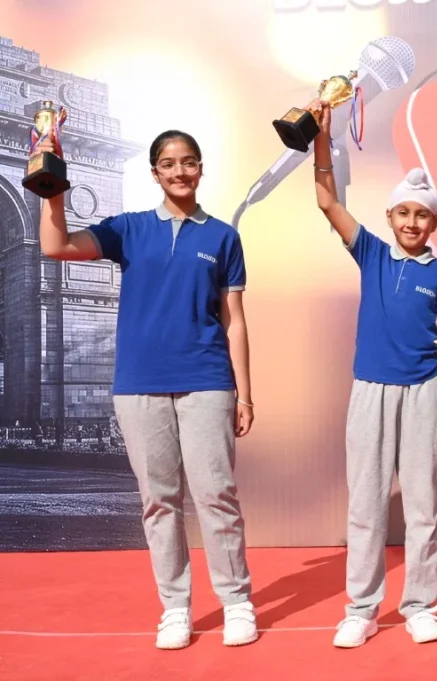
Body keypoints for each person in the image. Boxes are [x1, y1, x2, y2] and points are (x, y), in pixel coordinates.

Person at [36, 130, 259, 650]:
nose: (179, 172)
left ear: (200, 168)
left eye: (188, 163)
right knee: (158, 501)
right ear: (154, 173)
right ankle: (176, 608)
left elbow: (235, 322)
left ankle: (236, 602)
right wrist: (53, 185)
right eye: (167, 163)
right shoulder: (128, 230)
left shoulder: (223, 237)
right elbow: (55, 244)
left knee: (216, 496)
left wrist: (245, 394)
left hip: (207, 380)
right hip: (139, 385)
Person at [308, 100, 437, 648]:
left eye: (422, 216)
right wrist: (322, 138)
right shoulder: (372, 254)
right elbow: (327, 200)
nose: (412, 223)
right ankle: (362, 608)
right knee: (367, 505)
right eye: (403, 214)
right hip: (370, 391)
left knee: (423, 507)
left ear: (434, 222)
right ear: (391, 217)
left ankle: (422, 604)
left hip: (424, 394)